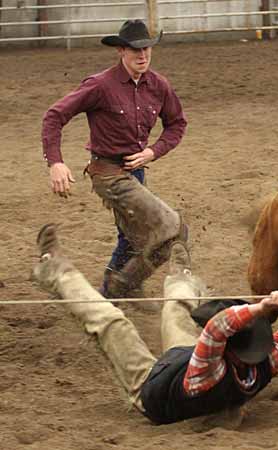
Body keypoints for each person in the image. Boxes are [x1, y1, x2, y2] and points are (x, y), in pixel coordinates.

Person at [32, 224, 278, 425]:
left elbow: (215, 329)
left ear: (227, 351)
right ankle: (182, 276)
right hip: (183, 363)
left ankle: (54, 270)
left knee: (113, 323)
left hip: (151, 389)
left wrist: (260, 308)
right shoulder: (264, 363)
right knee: (178, 311)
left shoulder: (209, 370)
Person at [41, 19, 188, 299]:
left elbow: (177, 123)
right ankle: (122, 286)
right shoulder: (100, 85)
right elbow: (54, 116)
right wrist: (55, 162)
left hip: (137, 171)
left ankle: (115, 291)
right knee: (172, 227)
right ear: (121, 51)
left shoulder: (158, 85)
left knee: (134, 237)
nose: (142, 55)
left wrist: (152, 151)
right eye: (135, 50)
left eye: (146, 48)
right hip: (107, 173)